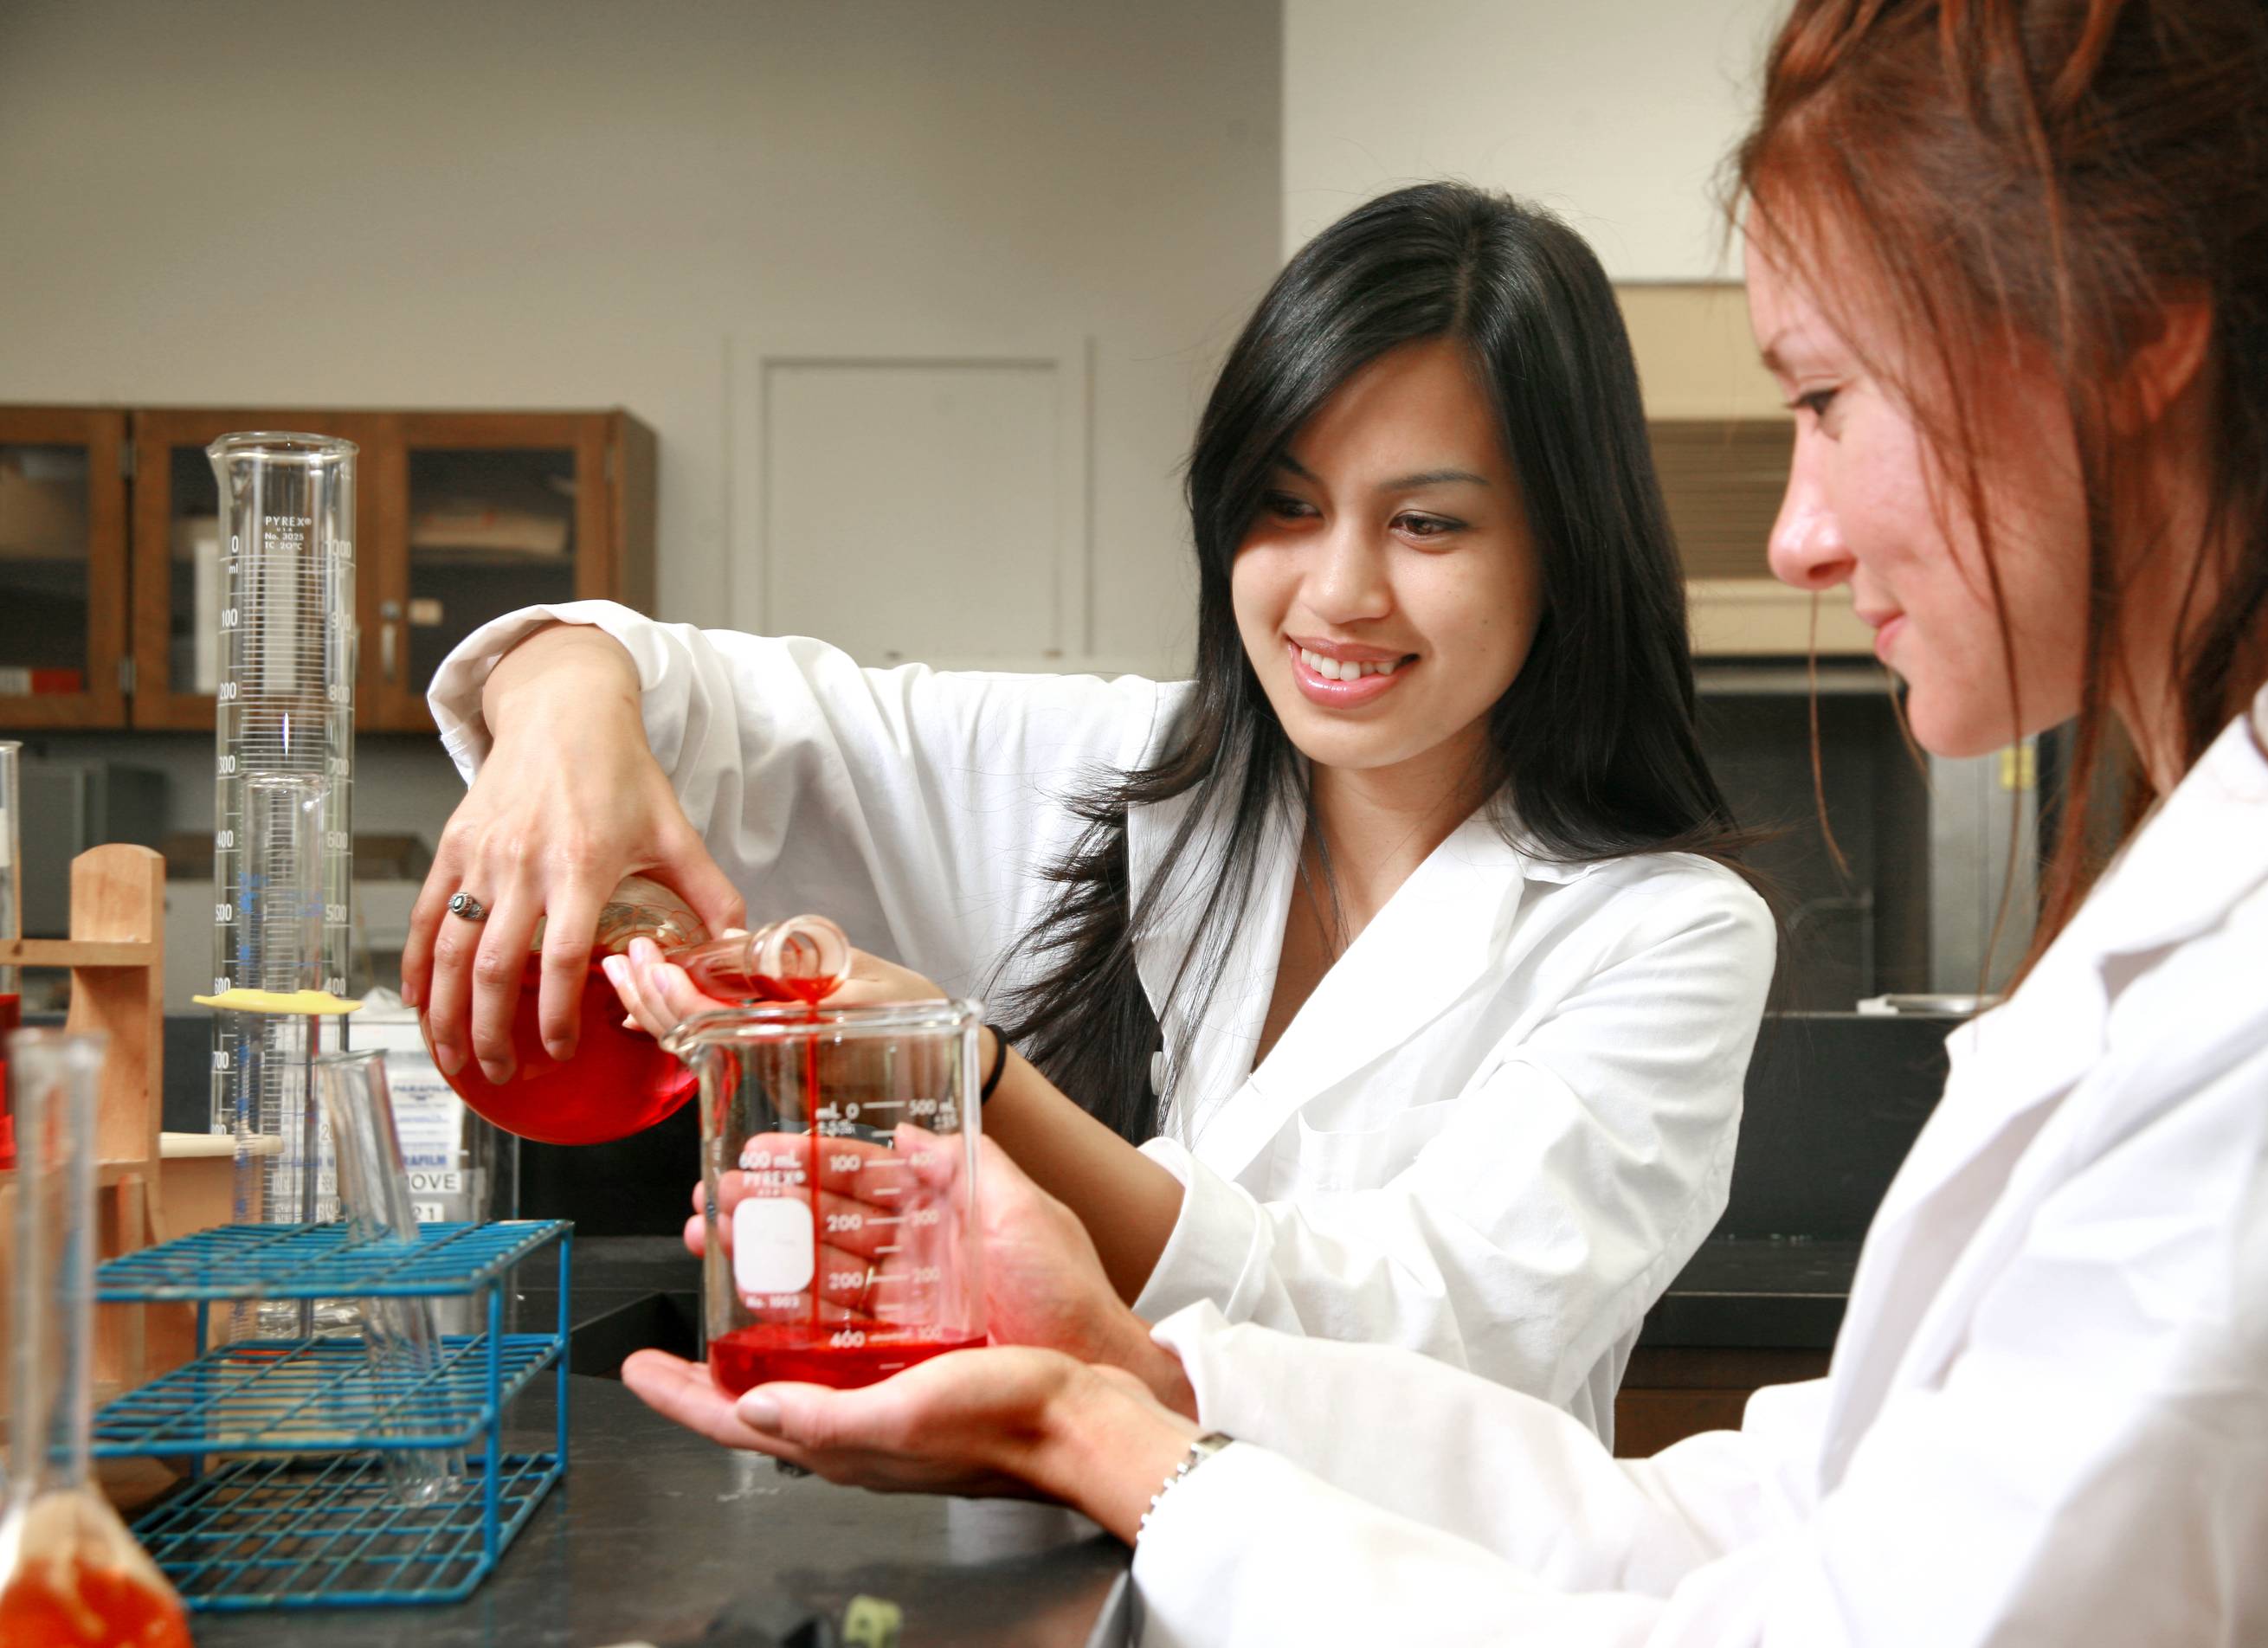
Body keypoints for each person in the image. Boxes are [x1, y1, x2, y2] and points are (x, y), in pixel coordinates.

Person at [624, 0, 2268, 1648]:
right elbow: (1783, 1514)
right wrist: (1119, 1384)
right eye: (1286, 507)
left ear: (2135, 333)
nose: (1803, 530)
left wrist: (1136, 1440)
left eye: (1828, 400)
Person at [408, 183, 1775, 1443]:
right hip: (1053, 1623)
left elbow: (1437, 1330)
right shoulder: (1126, 770)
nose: (1338, 590)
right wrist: (558, 711)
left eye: (1427, 524)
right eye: (1285, 507)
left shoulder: (1662, 934)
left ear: (1567, 545)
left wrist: (966, 1074)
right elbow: (724, 706)